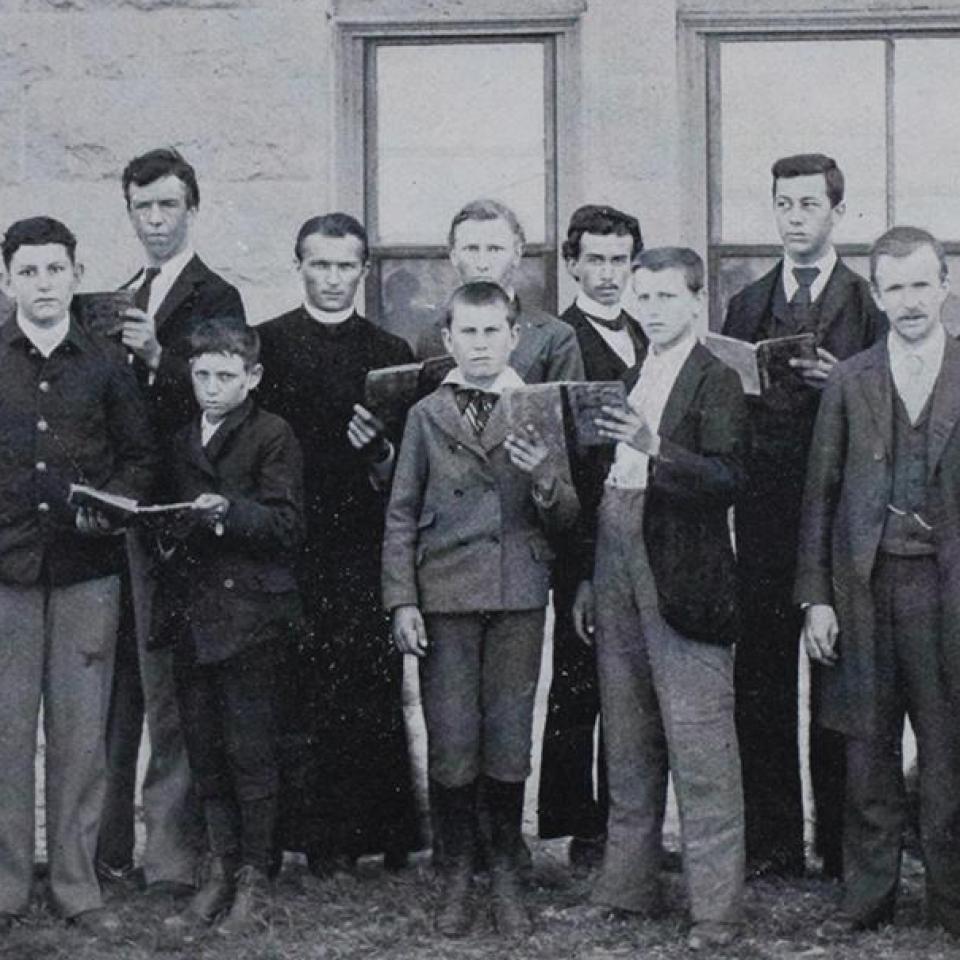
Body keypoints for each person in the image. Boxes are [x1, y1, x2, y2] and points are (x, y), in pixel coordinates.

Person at [384, 280, 578, 938]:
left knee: (508, 737)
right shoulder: (423, 415)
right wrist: (402, 600)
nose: (480, 344)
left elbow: (567, 515)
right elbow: (401, 514)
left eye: (492, 331)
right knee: (453, 739)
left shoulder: (536, 407)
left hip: (517, 594)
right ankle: (458, 869)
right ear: (447, 340)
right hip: (445, 598)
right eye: (467, 332)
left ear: (514, 336)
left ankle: (503, 869)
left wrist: (545, 473)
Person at [573, 248, 747, 952]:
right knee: (628, 732)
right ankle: (627, 888)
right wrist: (590, 573)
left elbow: (729, 478)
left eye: (666, 296)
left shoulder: (717, 379)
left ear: (696, 301)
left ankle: (716, 911)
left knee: (701, 745)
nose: (651, 307)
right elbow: (604, 480)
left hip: (683, 574)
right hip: (615, 556)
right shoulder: (631, 372)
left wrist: (655, 445)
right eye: (642, 296)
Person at [722, 154, 886, 879]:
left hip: (842, 518)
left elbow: (887, 414)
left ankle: (842, 847)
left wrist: (839, 382)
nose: (795, 218)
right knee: (759, 679)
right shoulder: (746, 303)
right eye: (783, 204)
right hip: (761, 519)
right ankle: (773, 844)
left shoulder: (869, 304)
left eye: (809, 205)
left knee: (838, 679)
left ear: (837, 213)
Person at [796, 226, 960, 937]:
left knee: (951, 752)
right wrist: (817, 599)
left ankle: (952, 902)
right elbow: (821, 495)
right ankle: (868, 898)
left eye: (922, 283)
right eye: (894, 287)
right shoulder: (851, 378)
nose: (910, 300)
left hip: (948, 596)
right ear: (877, 295)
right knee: (866, 751)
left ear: (946, 283)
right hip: (865, 591)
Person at [0, 217, 156, 932]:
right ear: (7, 280)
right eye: (27, 272)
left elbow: (140, 457)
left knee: (79, 734)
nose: (42, 284)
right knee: (5, 733)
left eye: (54, 270)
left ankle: (74, 884)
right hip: (6, 573)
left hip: (87, 572)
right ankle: (4, 886)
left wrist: (114, 506)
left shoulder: (105, 364)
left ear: (74, 272)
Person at [98, 147, 247, 897]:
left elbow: (221, 408)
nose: (154, 220)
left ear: (193, 208)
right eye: (142, 207)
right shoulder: (120, 292)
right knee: (116, 686)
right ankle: (108, 850)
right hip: (117, 515)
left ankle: (174, 858)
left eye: (167, 206)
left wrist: (159, 356)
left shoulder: (215, 294)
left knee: (169, 689)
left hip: (175, 518)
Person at [257, 213, 421, 872]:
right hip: (290, 543)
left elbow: (407, 469)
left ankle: (382, 836)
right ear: (298, 265)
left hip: (362, 539)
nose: (331, 278)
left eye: (344, 265)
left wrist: (378, 449)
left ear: (363, 270)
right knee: (301, 689)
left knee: (367, 686)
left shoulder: (389, 352)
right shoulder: (266, 345)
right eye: (318, 265)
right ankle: (317, 841)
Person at [156, 320, 304, 936]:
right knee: (207, 751)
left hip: (254, 620)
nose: (212, 388)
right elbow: (166, 518)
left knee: (251, 753)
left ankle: (254, 879)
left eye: (225, 376)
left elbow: (288, 526)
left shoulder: (272, 434)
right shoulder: (180, 438)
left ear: (253, 377)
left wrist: (226, 514)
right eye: (201, 375)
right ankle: (218, 869)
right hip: (195, 619)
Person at [538, 204, 646, 869]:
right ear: (572, 263)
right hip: (584, 536)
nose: (608, 273)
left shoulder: (647, 328)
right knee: (583, 681)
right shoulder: (562, 337)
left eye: (620, 259)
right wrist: (578, 571)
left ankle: (627, 821)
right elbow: (563, 460)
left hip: (639, 528)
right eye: (595, 260)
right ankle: (583, 829)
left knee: (632, 684)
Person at [415, 198, 584, 383]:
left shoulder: (556, 337)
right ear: (454, 256)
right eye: (471, 249)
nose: (482, 263)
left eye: (494, 249)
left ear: (517, 255)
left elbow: (567, 410)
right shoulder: (433, 336)